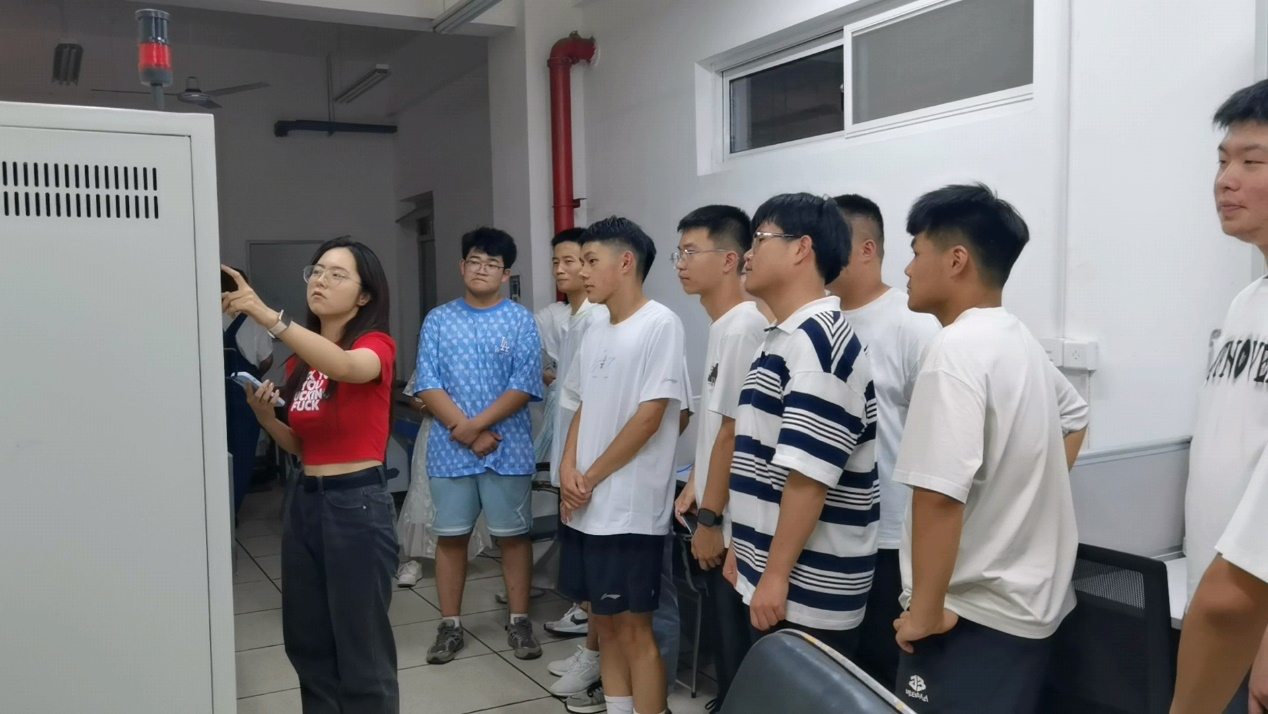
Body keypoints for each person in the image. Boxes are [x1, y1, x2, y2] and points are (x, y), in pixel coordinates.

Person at [891, 184, 1088, 714]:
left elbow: (938, 496)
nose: (907, 269)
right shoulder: (1016, 339)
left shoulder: (954, 349)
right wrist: (1020, 501)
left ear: (956, 260)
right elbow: (1076, 418)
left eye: (916, 252)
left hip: (969, 616)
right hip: (1024, 612)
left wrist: (924, 613)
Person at [222, 237, 400, 712]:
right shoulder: (302, 362)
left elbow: (345, 365)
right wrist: (266, 419)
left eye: (337, 274)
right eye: (317, 271)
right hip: (305, 500)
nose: (320, 280)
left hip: (356, 505)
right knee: (308, 644)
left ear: (364, 295)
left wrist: (269, 317)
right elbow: (305, 447)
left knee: (361, 651)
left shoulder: (374, 345)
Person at [722, 192, 878, 661]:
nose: (747, 255)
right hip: (774, 571)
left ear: (801, 248)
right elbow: (760, 460)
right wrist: (741, 547)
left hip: (806, 588)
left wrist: (774, 574)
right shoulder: (780, 338)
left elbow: (809, 479)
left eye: (760, 239)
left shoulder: (819, 345)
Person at [557, 216, 690, 714]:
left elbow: (650, 418)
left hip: (628, 512)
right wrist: (568, 469)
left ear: (626, 262)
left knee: (634, 631)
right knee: (605, 623)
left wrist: (589, 477)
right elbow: (581, 405)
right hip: (587, 504)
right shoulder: (595, 327)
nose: (581, 272)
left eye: (591, 261)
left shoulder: (660, 324)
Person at [1172, 79, 1268, 714]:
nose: (1226, 181)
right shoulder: (1246, 303)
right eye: (1223, 160)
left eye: (1253, 161)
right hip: (1220, 618)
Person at [416, 227, 545, 664]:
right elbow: (427, 382)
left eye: (492, 264)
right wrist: (467, 431)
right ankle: (449, 625)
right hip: (450, 449)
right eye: (475, 261)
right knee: (451, 538)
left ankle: (519, 620)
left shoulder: (520, 321)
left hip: (507, 447)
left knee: (514, 537)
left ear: (506, 274)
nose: (482, 269)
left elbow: (524, 385)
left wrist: (475, 427)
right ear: (461, 266)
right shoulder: (438, 320)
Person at [826, 194, 940, 686]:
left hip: (892, 534)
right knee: (832, 670)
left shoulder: (913, 324)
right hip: (827, 528)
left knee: (884, 670)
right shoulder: (820, 321)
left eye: (830, 241)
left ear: (867, 249)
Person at [669, 204, 767, 710]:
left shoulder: (744, 326)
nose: (681, 263)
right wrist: (694, 483)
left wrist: (710, 519)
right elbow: (715, 425)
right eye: (679, 252)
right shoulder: (721, 324)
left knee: (739, 646)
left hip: (733, 520)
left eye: (691, 251)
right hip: (716, 505)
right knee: (728, 642)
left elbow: (734, 433)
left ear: (730, 259)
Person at [222, 266, 274, 516]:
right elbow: (266, 359)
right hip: (243, 393)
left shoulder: (200, 313)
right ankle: (232, 514)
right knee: (241, 455)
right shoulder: (254, 319)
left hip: (207, 395)